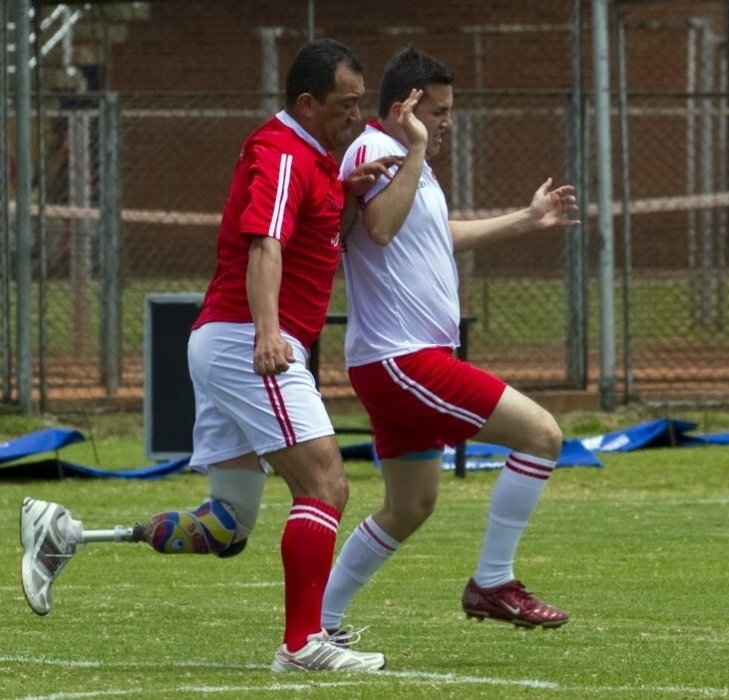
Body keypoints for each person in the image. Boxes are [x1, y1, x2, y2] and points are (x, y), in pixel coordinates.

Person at [19, 39, 401, 673]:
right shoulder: (283, 153)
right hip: (246, 342)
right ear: (306, 103)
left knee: (227, 526)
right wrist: (269, 333)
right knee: (326, 481)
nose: (355, 117)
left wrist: (345, 190)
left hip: (226, 341)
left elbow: (309, 229)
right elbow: (264, 246)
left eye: (361, 104)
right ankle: (303, 645)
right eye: (345, 105)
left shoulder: (308, 158)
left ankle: (63, 534)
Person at [321, 47, 579, 636]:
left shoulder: (409, 164)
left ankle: (319, 622)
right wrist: (414, 145)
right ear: (404, 108)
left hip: (403, 360)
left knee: (409, 507)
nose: (447, 122)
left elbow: (435, 235)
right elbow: (381, 228)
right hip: (400, 359)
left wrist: (526, 220)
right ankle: (493, 582)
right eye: (437, 110)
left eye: (447, 110)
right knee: (541, 434)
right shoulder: (378, 151)